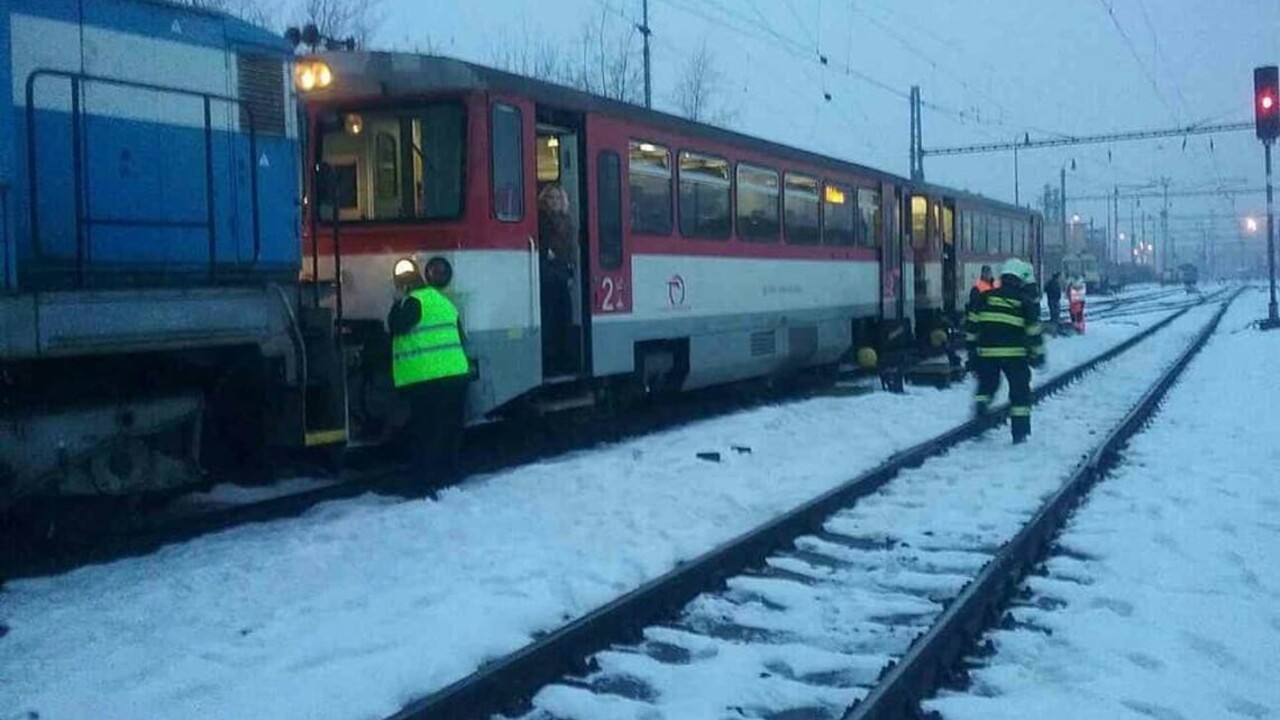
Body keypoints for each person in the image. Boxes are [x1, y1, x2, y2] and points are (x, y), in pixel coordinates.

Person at [387, 259, 471, 484]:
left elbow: (395, 325)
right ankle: (450, 474)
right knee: (450, 430)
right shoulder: (442, 302)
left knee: (427, 431)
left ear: (403, 287)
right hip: (456, 376)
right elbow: (462, 338)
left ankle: (426, 480)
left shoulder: (412, 303)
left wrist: (396, 303)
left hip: (428, 379)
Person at [965, 258, 1046, 444]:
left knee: (986, 385)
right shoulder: (1024, 302)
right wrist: (1038, 356)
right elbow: (1033, 333)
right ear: (1019, 280)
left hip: (987, 354)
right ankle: (1019, 434)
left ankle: (980, 407)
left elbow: (972, 325)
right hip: (1014, 356)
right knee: (1020, 393)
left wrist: (972, 351)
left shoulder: (985, 297)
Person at [538, 183, 577, 374]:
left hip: (561, 274)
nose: (554, 201)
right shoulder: (542, 220)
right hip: (548, 276)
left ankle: (564, 358)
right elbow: (546, 246)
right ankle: (551, 359)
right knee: (551, 317)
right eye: (550, 198)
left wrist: (570, 271)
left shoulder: (567, 221)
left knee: (564, 317)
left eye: (557, 198)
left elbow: (568, 250)